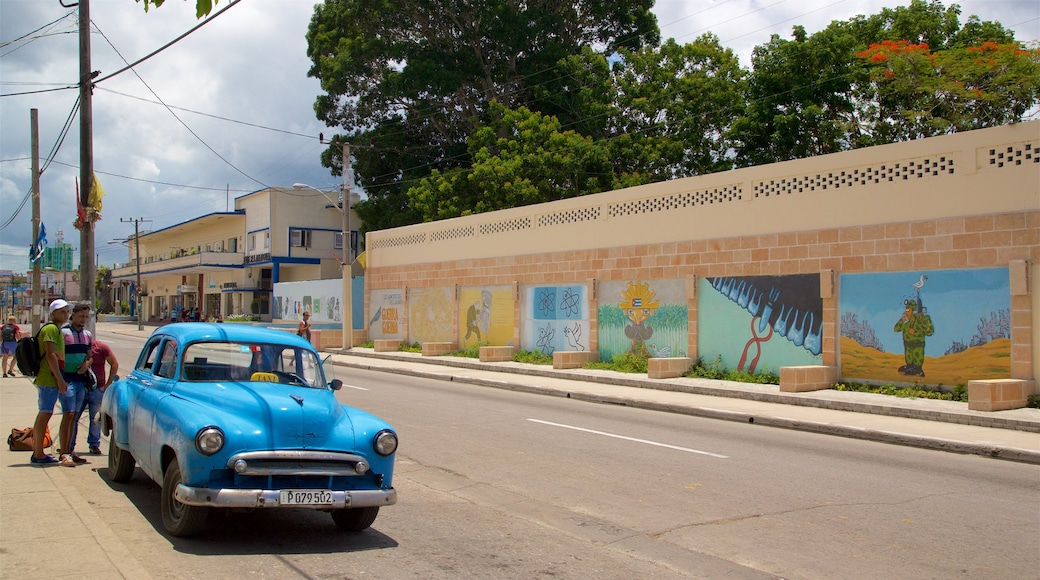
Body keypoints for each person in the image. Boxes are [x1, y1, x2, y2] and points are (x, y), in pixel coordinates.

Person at [30, 300, 74, 466]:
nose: (65, 314)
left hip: (51, 377)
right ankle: (38, 453)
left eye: (67, 311)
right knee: (45, 413)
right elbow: (50, 355)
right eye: (62, 311)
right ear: (53, 313)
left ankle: (38, 452)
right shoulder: (51, 329)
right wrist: (59, 379)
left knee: (46, 413)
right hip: (48, 377)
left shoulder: (56, 329)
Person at [58, 302, 95, 465]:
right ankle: (64, 452)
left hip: (81, 381)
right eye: (81, 316)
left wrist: (87, 364)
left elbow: (90, 356)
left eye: (86, 317)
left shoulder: (87, 334)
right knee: (68, 414)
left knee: (74, 417)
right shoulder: (63, 333)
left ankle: (70, 449)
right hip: (67, 379)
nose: (83, 319)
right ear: (73, 315)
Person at [74, 339, 119, 455]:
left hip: (97, 389)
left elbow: (114, 364)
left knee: (95, 419)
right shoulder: (77, 348)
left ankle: (94, 444)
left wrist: (108, 384)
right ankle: (69, 444)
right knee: (73, 417)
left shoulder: (101, 347)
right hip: (80, 387)